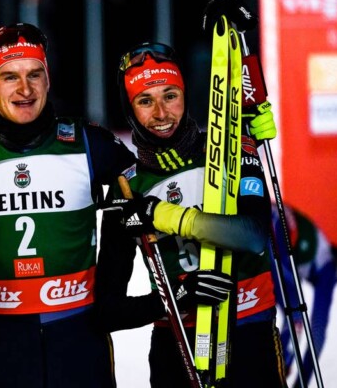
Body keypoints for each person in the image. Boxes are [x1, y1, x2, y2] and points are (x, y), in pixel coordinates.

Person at [0, 22, 139, 388]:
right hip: (5, 342)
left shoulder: (88, 142)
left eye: (35, 74)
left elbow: (147, 185)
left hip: (79, 336)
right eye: (9, 77)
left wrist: (115, 264)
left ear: (48, 80)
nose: (25, 89)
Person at [95, 35, 287, 387]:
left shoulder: (233, 152)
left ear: (186, 95)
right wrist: (174, 299)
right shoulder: (128, 188)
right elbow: (106, 310)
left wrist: (167, 217)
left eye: (170, 96)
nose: (161, 113)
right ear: (130, 109)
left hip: (247, 332)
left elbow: (254, 236)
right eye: (145, 101)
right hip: (176, 346)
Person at [271, 202, 337, 388]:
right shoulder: (328, 267)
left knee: (289, 312)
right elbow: (318, 335)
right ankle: (279, 367)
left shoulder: (316, 241)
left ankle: (278, 365)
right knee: (297, 316)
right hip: (274, 229)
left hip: (264, 216)